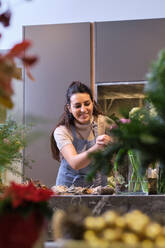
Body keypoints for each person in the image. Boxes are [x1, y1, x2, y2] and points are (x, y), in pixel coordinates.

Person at [50, 81, 113, 187]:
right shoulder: (62, 131)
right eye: (77, 106)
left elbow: (123, 143)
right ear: (69, 108)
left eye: (87, 104)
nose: (83, 109)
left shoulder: (103, 123)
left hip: (98, 188)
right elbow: (75, 163)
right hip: (68, 190)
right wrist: (98, 147)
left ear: (92, 102)